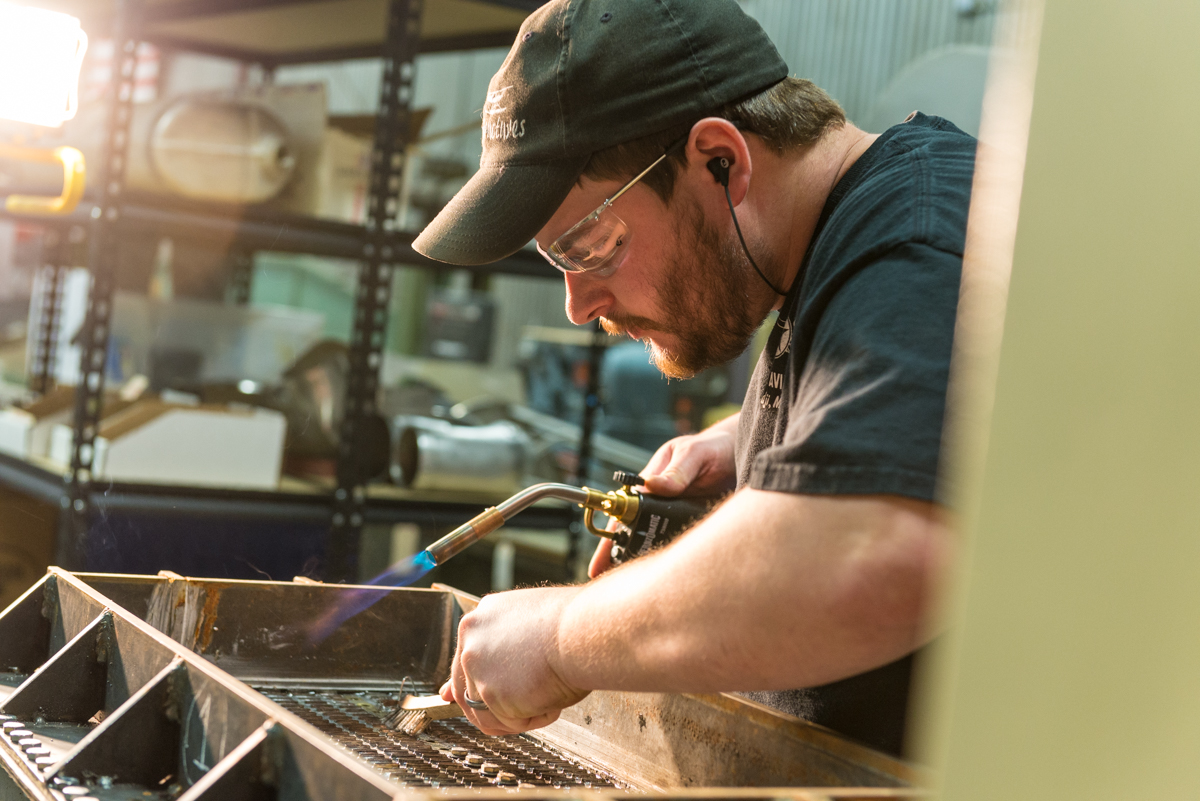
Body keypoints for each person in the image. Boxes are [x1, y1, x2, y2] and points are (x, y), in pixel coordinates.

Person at [412, 0, 972, 757]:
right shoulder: (848, 250)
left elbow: (873, 554)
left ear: (722, 160)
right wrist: (777, 436)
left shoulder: (917, 236)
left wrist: (560, 636)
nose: (581, 307)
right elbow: (945, 425)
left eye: (592, 244)